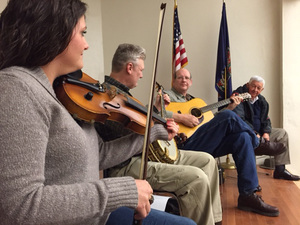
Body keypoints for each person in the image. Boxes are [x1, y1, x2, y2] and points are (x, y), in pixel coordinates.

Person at [0, 1, 197, 225]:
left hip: (94, 214)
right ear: (54, 31)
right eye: (82, 33)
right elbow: (17, 207)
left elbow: (99, 154)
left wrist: (151, 133)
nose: (86, 45)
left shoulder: (59, 90)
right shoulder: (16, 89)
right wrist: (121, 190)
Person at [95, 43, 223, 225]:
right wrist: (157, 131)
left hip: (144, 154)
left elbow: (141, 124)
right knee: (197, 178)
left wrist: (156, 110)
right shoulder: (107, 99)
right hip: (127, 164)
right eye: (140, 70)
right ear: (129, 68)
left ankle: (214, 220)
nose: (141, 74)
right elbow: (131, 137)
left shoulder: (125, 96)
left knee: (208, 160)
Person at [162, 67, 286, 217]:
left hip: (203, 142)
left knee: (242, 137)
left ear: (191, 82)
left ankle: (247, 195)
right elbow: (151, 110)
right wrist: (181, 117)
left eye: (187, 78)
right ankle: (258, 144)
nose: (184, 80)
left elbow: (211, 122)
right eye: (180, 77)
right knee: (228, 116)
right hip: (183, 145)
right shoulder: (166, 96)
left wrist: (231, 107)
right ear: (173, 80)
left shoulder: (193, 101)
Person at [232, 75, 300, 181]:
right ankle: (250, 179)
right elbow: (239, 119)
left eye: (258, 88)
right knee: (247, 137)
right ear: (248, 85)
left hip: (260, 133)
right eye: (253, 86)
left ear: (262, 89)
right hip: (245, 132)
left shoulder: (262, 100)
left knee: (282, 133)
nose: (255, 90)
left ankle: (280, 171)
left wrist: (266, 132)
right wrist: (254, 133)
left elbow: (266, 119)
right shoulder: (238, 96)